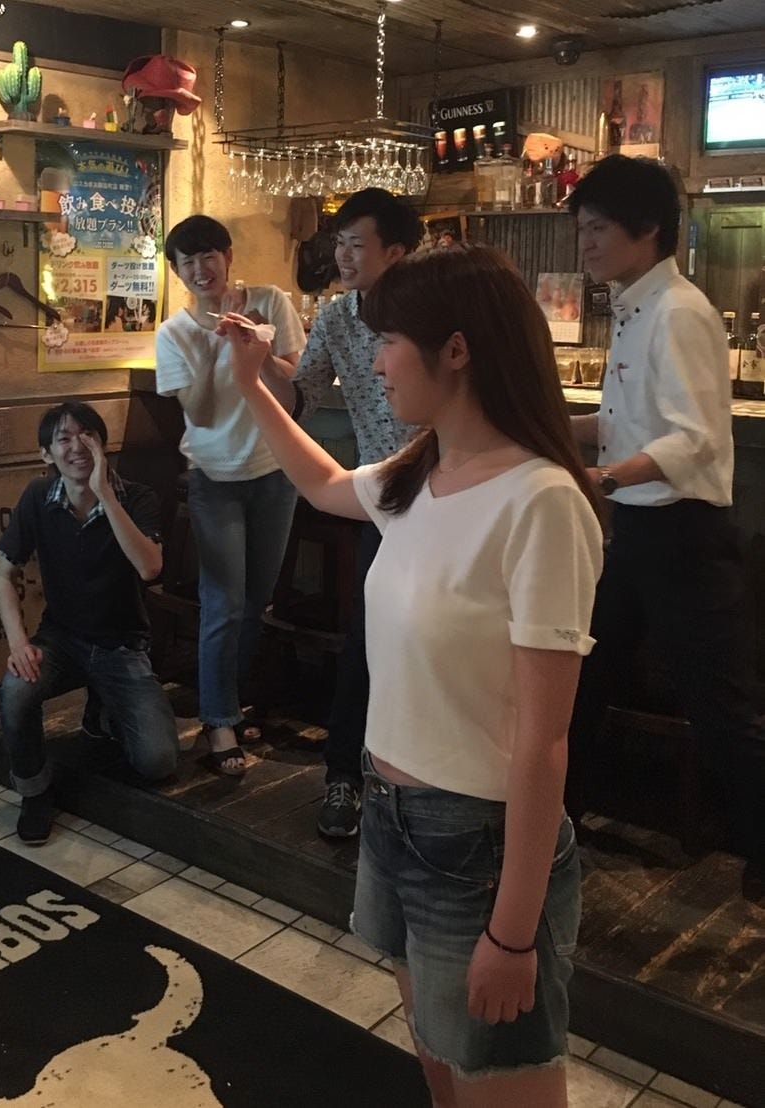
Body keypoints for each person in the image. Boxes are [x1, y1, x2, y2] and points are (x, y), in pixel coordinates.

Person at [218, 243, 603, 1106]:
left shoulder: (542, 501)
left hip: (478, 845)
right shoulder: (422, 469)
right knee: (440, 1069)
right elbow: (324, 483)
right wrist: (250, 384)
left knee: (498, 1085)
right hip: (390, 815)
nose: (377, 361)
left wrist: (513, 934)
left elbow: (544, 740)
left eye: (390, 341)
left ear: (456, 350)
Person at [565, 155, 765, 898]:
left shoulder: (680, 311)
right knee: (581, 676)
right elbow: (623, 421)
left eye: (597, 228)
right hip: (638, 534)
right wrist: (547, 428)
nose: (585, 243)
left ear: (647, 228)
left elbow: (696, 440)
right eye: (582, 228)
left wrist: (607, 478)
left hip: (685, 538)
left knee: (724, 708)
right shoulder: (634, 307)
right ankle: (553, 819)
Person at [291, 188, 422, 836]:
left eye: (355, 244)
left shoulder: (435, 309)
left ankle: (421, 786)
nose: (342, 256)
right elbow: (304, 394)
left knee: (436, 645)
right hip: (382, 503)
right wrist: (251, 366)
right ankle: (344, 775)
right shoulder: (338, 317)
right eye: (338, 243)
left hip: (448, 495)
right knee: (366, 642)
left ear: (394, 252)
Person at [155, 215, 305, 775]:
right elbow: (200, 412)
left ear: (228, 257)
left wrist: (257, 343)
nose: (200, 270)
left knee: (256, 601)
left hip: (275, 472)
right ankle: (219, 721)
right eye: (187, 262)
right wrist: (212, 347)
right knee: (224, 603)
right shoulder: (174, 333)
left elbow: (292, 393)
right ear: (177, 271)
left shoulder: (270, 303)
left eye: (208, 256)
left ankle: (235, 704)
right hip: (214, 479)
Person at [0, 401, 179, 844]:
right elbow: (2, 573)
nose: (77, 446)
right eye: (64, 438)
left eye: (87, 435)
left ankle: (103, 710)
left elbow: (150, 567)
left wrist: (106, 495)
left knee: (158, 761)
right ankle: (35, 792)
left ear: (102, 444)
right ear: (46, 454)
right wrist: (18, 644)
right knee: (15, 690)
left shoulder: (137, 497)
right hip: (62, 640)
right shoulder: (39, 497)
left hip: (121, 645)